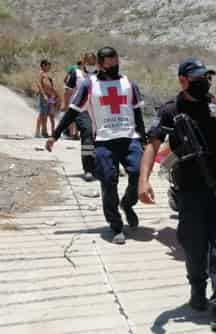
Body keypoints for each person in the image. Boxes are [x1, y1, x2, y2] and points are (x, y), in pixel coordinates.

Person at [139, 58, 216, 331]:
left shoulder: (214, 106)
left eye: (206, 78)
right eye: (198, 78)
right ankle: (198, 292)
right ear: (183, 80)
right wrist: (144, 181)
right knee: (193, 245)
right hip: (189, 191)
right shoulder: (170, 110)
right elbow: (152, 146)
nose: (204, 82)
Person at [46, 47, 146, 245]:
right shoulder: (89, 85)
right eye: (109, 65)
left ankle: (127, 204)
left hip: (129, 138)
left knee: (137, 174)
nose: (113, 68)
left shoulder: (128, 83)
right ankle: (116, 224)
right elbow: (73, 112)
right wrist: (55, 135)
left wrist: (143, 139)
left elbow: (137, 114)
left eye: (116, 63)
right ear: (100, 65)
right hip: (104, 141)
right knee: (109, 181)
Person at [61, 52, 98, 181]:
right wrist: (65, 105)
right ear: (83, 62)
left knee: (98, 138)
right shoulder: (76, 74)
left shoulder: (100, 75)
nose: (91, 66)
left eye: (93, 63)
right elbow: (68, 91)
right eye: (89, 63)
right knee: (87, 135)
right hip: (81, 110)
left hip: (97, 110)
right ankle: (88, 169)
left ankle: (99, 165)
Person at [36, 59, 58, 137]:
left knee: (50, 114)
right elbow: (39, 84)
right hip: (44, 96)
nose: (49, 67)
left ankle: (47, 132)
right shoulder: (41, 74)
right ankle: (41, 132)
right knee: (43, 114)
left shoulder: (46, 74)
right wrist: (44, 94)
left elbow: (50, 86)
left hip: (50, 97)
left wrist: (54, 94)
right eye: (48, 65)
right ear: (43, 65)